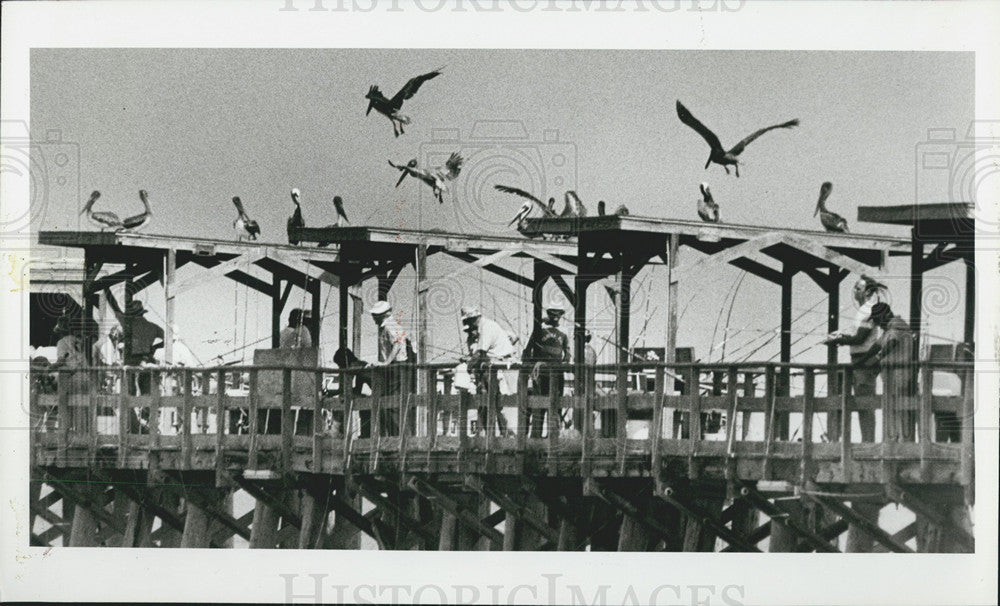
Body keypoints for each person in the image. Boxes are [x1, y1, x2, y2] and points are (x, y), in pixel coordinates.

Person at [824, 276, 888, 442]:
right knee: (861, 404)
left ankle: (868, 442)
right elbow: (857, 336)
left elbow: (860, 338)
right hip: (858, 362)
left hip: (865, 363)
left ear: (867, 292)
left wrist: (839, 340)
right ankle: (866, 441)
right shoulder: (862, 311)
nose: (855, 292)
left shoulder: (868, 310)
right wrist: (842, 337)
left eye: (858, 289)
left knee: (865, 404)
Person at [860, 302, 916, 441]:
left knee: (898, 408)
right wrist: (863, 359)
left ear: (884, 316)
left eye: (877, 320)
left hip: (899, 375)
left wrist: (877, 359)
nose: (877, 324)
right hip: (892, 375)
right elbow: (877, 345)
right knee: (892, 408)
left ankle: (900, 442)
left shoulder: (896, 326)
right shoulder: (888, 330)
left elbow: (892, 343)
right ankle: (894, 440)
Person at [461, 306, 516, 436]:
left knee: (502, 403)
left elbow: (480, 352)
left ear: (474, 319)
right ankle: (496, 435)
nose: (468, 325)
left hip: (501, 368)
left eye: (468, 321)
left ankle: (508, 434)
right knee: (489, 403)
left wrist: (468, 366)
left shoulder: (487, 328)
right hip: (491, 369)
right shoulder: (483, 329)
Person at [522, 300, 570, 438]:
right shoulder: (539, 328)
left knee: (556, 405)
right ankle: (536, 437)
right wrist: (528, 365)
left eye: (558, 314)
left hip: (556, 372)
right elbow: (528, 348)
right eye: (552, 314)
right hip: (540, 372)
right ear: (548, 313)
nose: (556, 317)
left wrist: (566, 362)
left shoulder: (564, 330)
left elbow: (567, 351)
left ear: (561, 314)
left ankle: (553, 436)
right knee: (539, 405)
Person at [104, 289, 164, 396]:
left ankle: (130, 412)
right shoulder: (153, 327)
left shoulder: (127, 324)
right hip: (147, 360)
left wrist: (106, 290)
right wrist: (155, 347)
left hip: (131, 361)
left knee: (129, 393)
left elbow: (115, 306)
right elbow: (169, 339)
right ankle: (146, 412)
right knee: (147, 394)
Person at [370, 300, 414, 436]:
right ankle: (398, 437)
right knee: (392, 405)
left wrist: (387, 362)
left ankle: (399, 438)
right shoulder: (388, 326)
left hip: (396, 367)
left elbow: (398, 343)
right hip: (396, 367)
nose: (373, 318)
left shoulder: (390, 326)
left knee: (393, 405)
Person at [333, 347, 374, 438]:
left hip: (380, 395)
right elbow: (357, 390)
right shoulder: (361, 365)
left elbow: (348, 390)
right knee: (364, 407)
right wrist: (334, 392)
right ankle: (365, 436)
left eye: (339, 365)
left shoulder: (353, 368)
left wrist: (340, 394)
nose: (340, 368)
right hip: (378, 394)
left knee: (344, 401)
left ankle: (337, 432)